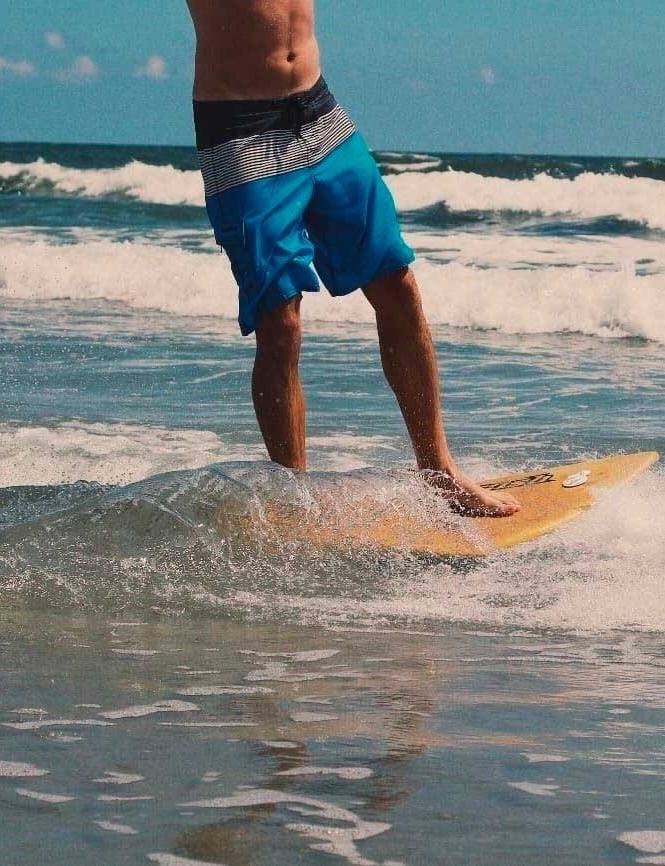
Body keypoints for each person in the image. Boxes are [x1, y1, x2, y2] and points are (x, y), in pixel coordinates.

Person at [186, 0, 518, 516]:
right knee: (280, 322)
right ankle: (294, 500)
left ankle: (439, 472)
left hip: (320, 115)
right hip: (240, 130)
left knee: (397, 284)